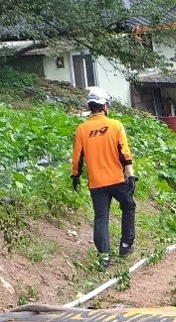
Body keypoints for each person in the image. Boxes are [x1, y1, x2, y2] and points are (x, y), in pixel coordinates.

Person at [71, 87, 137, 269]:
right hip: (116, 180)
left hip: (97, 183)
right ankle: (125, 245)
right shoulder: (115, 125)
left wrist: (75, 176)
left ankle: (104, 257)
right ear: (105, 106)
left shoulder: (82, 129)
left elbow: (77, 158)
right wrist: (131, 176)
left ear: (91, 107)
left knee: (101, 217)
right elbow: (124, 153)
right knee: (129, 206)